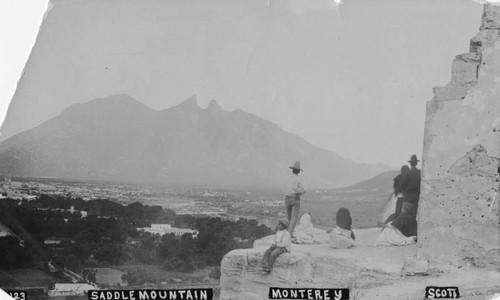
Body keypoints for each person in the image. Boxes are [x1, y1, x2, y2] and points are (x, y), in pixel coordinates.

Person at [283, 161, 307, 239]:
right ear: (299, 171)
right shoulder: (298, 179)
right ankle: (290, 234)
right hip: (295, 198)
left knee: (288, 217)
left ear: (292, 170)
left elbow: (284, 188)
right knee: (294, 218)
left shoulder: (287, 178)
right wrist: (298, 193)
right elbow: (305, 189)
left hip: (287, 198)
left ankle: (285, 233)